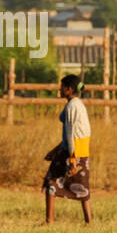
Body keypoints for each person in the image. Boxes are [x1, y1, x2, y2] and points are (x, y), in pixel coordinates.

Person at [42, 74, 92, 224]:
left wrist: (71, 157)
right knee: (81, 185)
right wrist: (56, 150)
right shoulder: (76, 104)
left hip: (73, 151)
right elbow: (70, 134)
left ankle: (49, 221)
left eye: (62, 86)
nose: (59, 89)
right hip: (78, 150)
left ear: (69, 89)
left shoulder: (72, 106)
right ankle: (88, 221)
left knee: (52, 181)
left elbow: (71, 132)